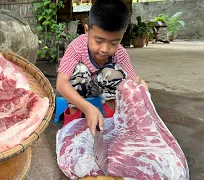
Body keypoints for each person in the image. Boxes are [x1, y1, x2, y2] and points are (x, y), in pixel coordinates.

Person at [56, 0, 148, 137]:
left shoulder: (120, 53)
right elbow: (61, 83)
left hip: (101, 91)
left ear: (122, 36)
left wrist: (142, 88)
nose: (105, 49)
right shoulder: (76, 48)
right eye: (98, 41)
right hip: (79, 92)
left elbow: (133, 79)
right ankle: (73, 126)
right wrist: (87, 109)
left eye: (114, 42)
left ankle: (110, 124)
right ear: (87, 31)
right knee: (79, 71)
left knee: (114, 74)